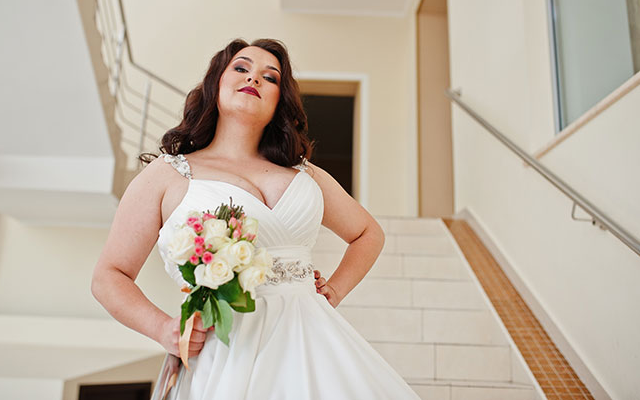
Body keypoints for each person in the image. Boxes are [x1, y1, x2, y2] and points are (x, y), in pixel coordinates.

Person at [92, 38, 421, 399]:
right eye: (242, 68)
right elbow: (109, 275)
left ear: (280, 99)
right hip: (229, 351)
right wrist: (163, 329)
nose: (255, 79)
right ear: (216, 83)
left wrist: (334, 290)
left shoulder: (307, 175)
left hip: (314, 341)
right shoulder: (167, 174)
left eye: (271, 77)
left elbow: (367, 233)